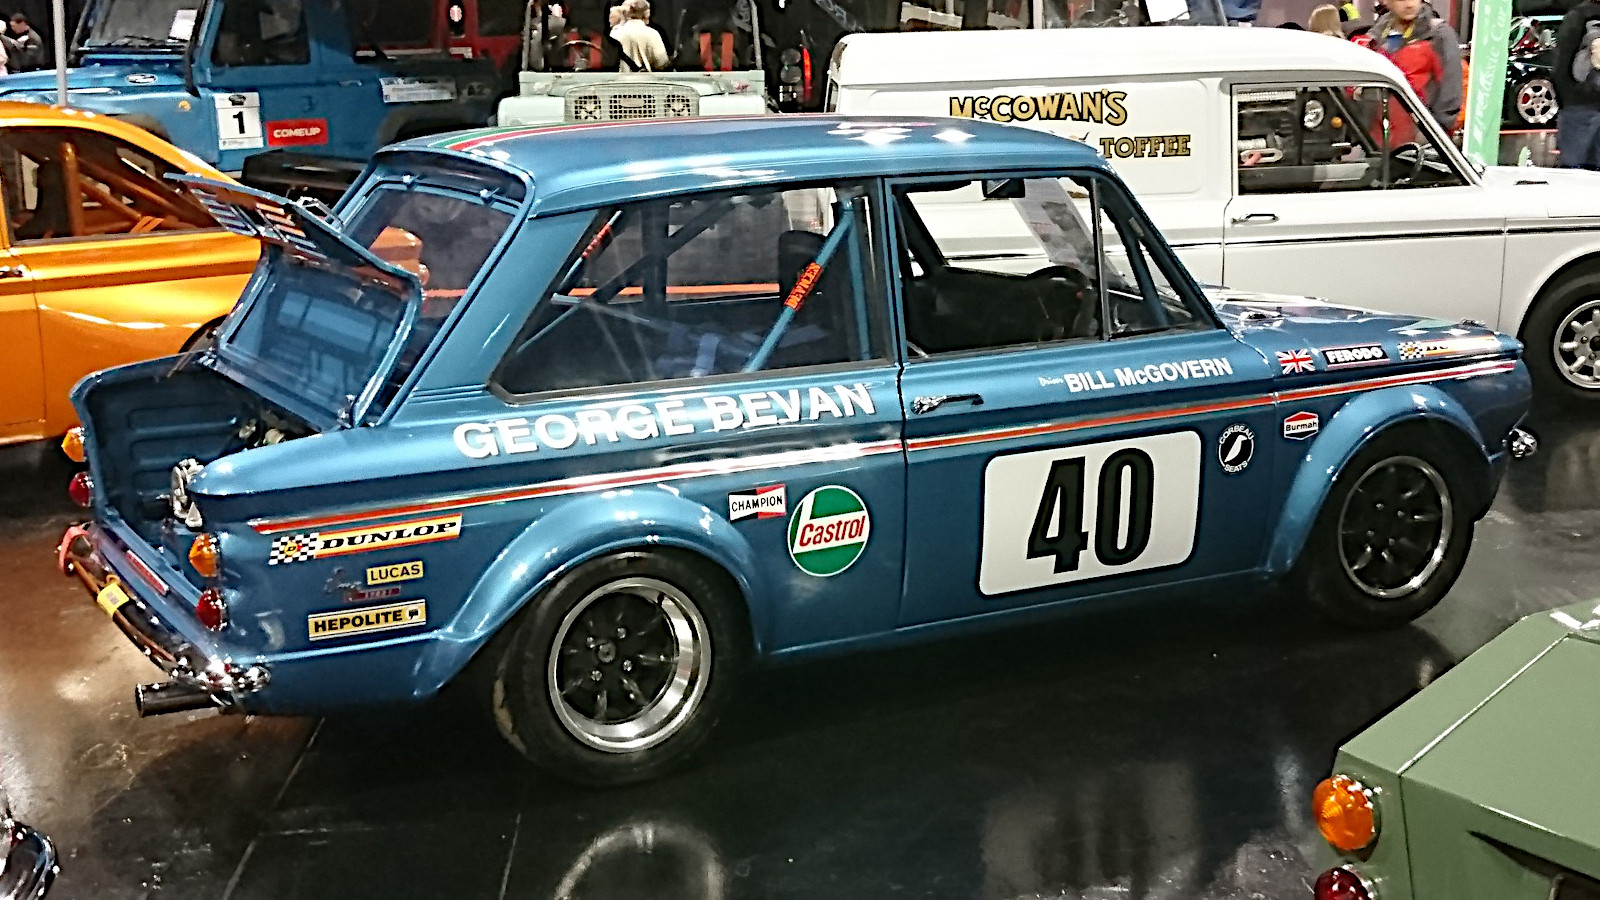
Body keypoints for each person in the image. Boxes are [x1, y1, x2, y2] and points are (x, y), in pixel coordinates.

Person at [1367, 0, 1462, 132]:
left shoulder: (1438, 35)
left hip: (1423, 135)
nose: (1409, 4)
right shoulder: (1375, 36)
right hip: (1379, 134)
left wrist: (1433, 134)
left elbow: (1450, 92)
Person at [1556, 0, 1600, 168]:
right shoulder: (1581, 16)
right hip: (1580, 106)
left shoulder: (1578, 15)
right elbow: (1563, 65)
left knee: (1573, 170)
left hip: (1578, 104)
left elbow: (1561, 64)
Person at [610, 0, 669, 71]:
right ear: (646, 15)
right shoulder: (653, 34)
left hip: (619, 78)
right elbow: (661, 62)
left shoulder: (615, 32)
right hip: (645, 77)